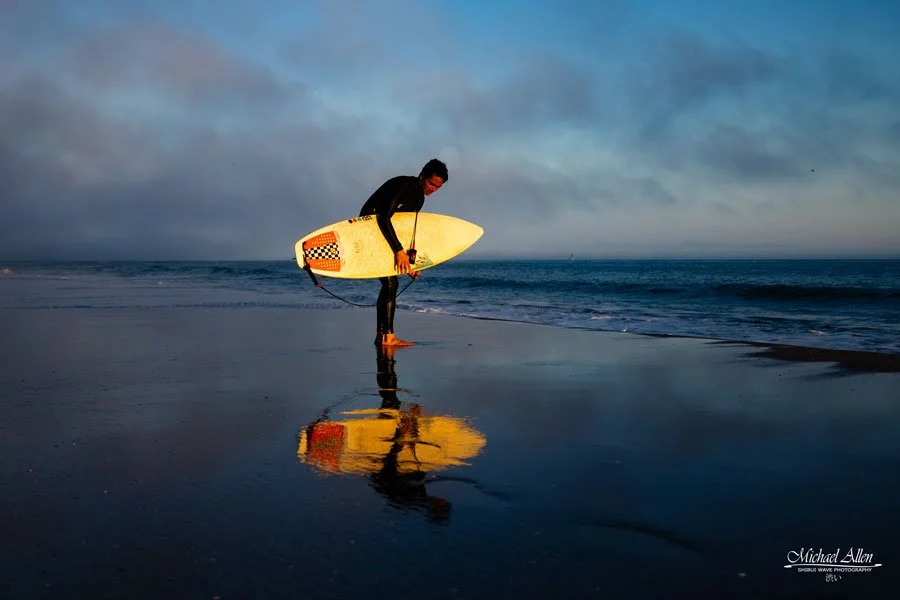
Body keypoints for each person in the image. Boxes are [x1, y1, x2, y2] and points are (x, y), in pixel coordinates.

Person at [359, 158, 448, 346]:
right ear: (422, 175)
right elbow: (383, 217)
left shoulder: (419, 199)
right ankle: (387, 337)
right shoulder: (402, 186)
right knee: (391, 283)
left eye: (438, 187)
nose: (433, 189)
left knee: (391, 284)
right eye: (431, 183)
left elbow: (406, 231)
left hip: (387, 236)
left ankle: (382, 336)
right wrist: (399, 251)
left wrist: (411, 262)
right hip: (369, 230)